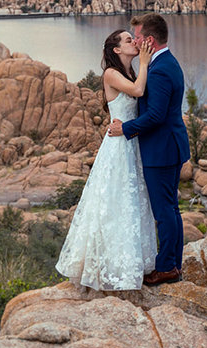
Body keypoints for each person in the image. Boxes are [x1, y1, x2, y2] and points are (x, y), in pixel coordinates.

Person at [56, 30, 157, 291]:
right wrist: (146, 61)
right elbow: (137, 91)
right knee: (114, 203)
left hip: (130, 142)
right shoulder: (112, 74)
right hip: (118, 148)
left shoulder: (130, 71)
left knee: (131, 203)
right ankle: (108, 268)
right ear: (116, 51)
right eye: (127, 40)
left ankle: (130, 264)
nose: (133, 42)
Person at [108, 12, 190, 285]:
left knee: (164, 212)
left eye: (139, 37)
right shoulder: (162, 63)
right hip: (166, 147)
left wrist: (126, 129)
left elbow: (155, 115)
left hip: (162, 150)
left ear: (150, 40)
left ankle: (167, 266)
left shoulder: (160, 69)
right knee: (170, 210)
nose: (136, 40)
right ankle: (173, 264)